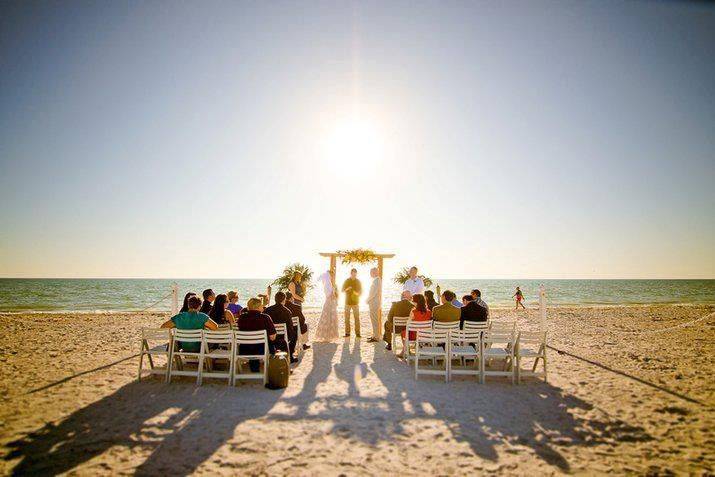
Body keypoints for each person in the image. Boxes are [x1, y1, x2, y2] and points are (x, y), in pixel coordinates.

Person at [237, 297, 277, 372]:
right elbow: (272, 337)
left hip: (244, 350)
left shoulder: (241, 317)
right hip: (262, 351)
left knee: (254, 345)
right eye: (262, 305)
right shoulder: (265, 317)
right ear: (259, 307)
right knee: (272, 343)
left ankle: (254, 366)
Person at [264, 291, 297, 362]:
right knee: (294, 334)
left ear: (275, 299)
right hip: (282, 336)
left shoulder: (267, 310)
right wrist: (290, 336)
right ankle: (290, 356)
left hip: (268, 337)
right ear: (284, 300)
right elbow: (290, 327)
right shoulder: (287, 311)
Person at [399, 293, 431, 358]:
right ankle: (405, 351)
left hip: (415, 336)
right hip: (426, 335)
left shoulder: (413, 311)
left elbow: (408, 324)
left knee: (403, 333)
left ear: (416, 302)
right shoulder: (429, 312)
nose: (412, 302)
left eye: (413, 300)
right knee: (406, 332)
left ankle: (405, 351)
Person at [314, 270, 339, 342]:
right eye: (331, 275)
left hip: (332, 302)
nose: (332, 276)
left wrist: (335, 294)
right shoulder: (328, 285)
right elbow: (329, 295)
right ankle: (326, 336)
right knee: (328, 317)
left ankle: (330, 336)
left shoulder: (330, 284)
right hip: (329, 302)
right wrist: (333, 294)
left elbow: (334, 294)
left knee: (331, 318)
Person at [342, 268, 362, 338]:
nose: (354, 275)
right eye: (353, 274)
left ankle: (358, 333)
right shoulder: (347, 281)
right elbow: (342, 290)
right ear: (351, 273)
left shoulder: (358, 281)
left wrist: (356, 293)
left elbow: (360, 293)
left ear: (356, 274)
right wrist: (347, 288)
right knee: (347, 319)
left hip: (356, 303)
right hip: (347, 302)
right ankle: (347, 333)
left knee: (357, 318)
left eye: (355, 274)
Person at [366, 267, 381, 343]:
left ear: (375, 272)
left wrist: (367, 300)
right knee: (374, 319)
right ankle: (375, 335)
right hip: (373, 303)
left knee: (375, 320)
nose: (370, 274)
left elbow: (373, 293)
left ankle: (376, 337)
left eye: (371, 272)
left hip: (374, 303)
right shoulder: (376, 280)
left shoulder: (377, 280)